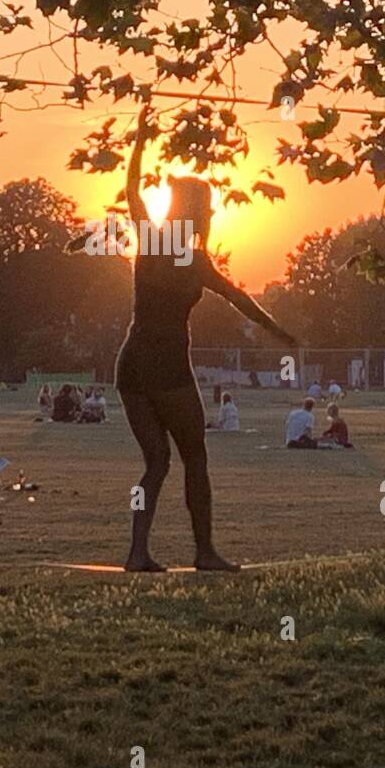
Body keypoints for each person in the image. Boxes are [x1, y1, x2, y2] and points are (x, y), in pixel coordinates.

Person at [113, 105, 296, 572]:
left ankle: (138, 552)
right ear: (197, 213)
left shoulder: (151, 240)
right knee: (195, 458)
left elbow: (132, 188)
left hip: (131, 365)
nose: (211, 215)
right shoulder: (193, 261)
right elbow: (240, 299)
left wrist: (139, 138)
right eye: (207, 209)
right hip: (167, 367)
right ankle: (204, 551)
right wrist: (279, 332)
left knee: (155, 464)